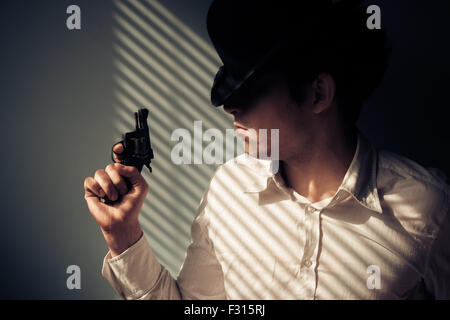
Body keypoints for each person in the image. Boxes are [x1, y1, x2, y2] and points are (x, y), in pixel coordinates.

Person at [83, 0, 450, 299]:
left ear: (317, 93)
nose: (230, 108)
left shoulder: (428, 209)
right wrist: (124, 236)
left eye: (251, 91)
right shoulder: (229, 189)